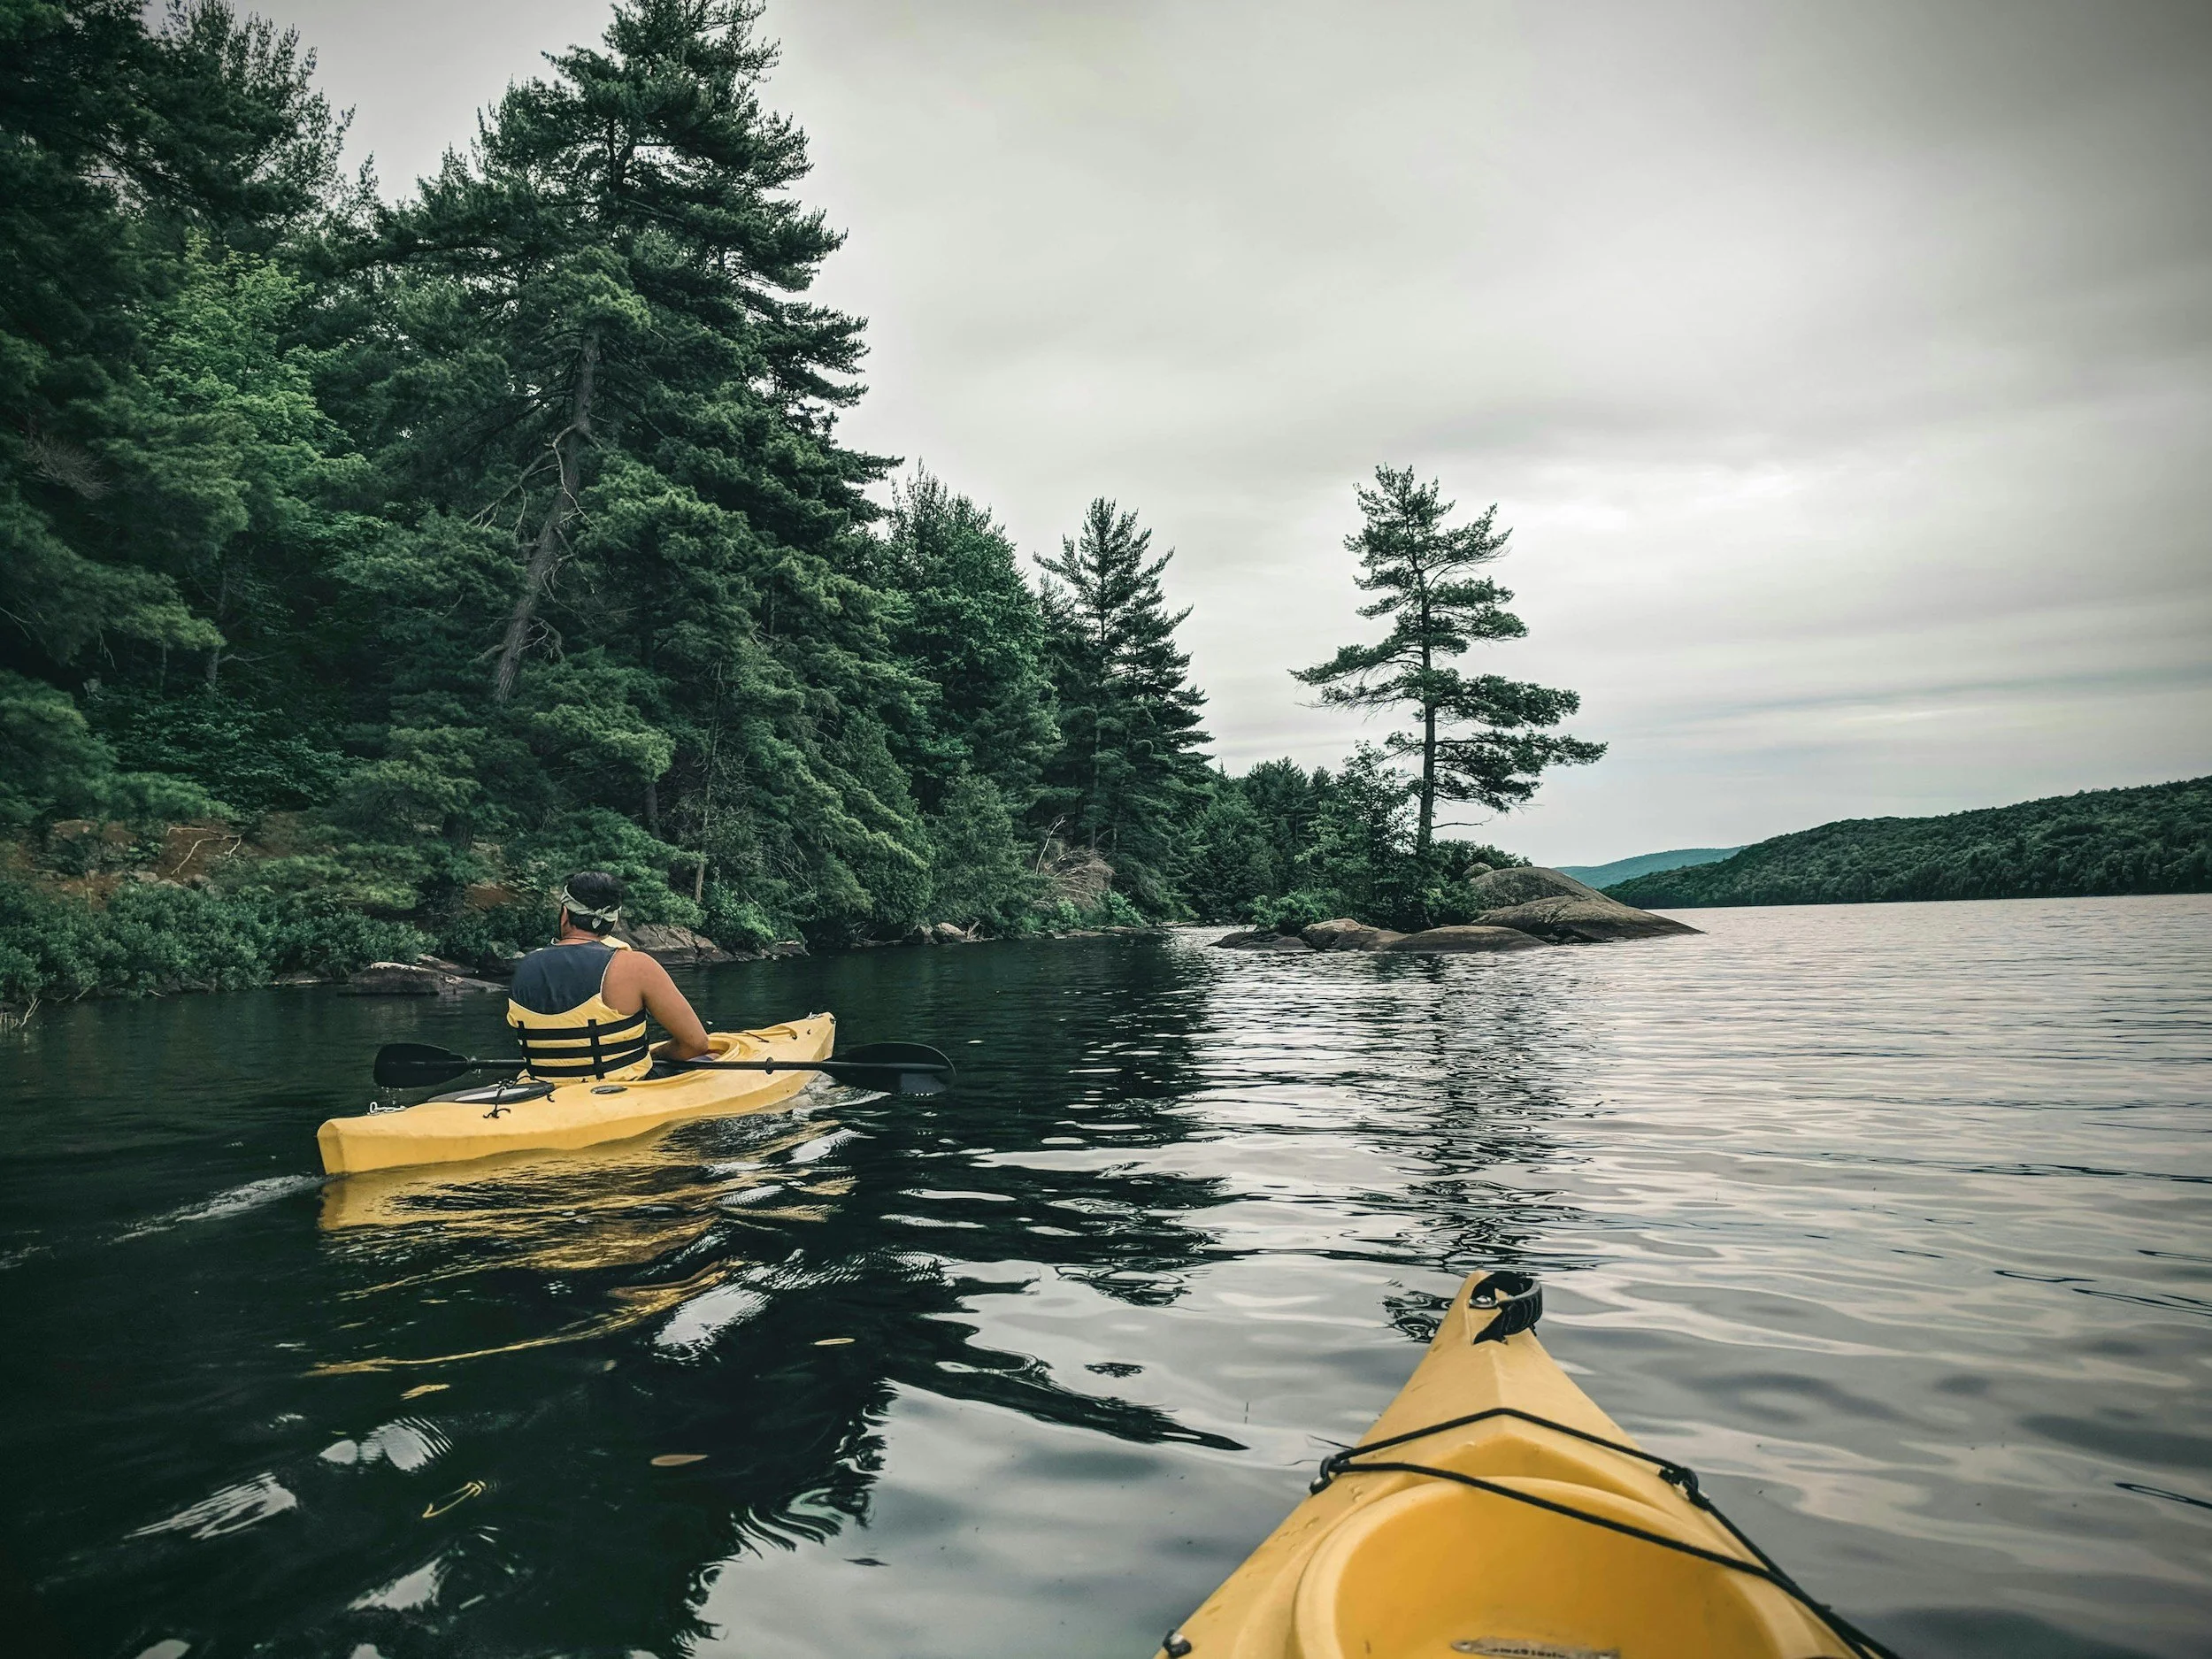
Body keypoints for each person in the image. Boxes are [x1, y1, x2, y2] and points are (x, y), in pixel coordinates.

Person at [505, 872, 712, 1081]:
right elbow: (695, 1044)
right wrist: (657, 1054)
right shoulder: (636, 966)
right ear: (613, 922)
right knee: (707, 1059)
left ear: (565, 914)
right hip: (620, 1092)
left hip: (540, 1091)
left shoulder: (524, 966)